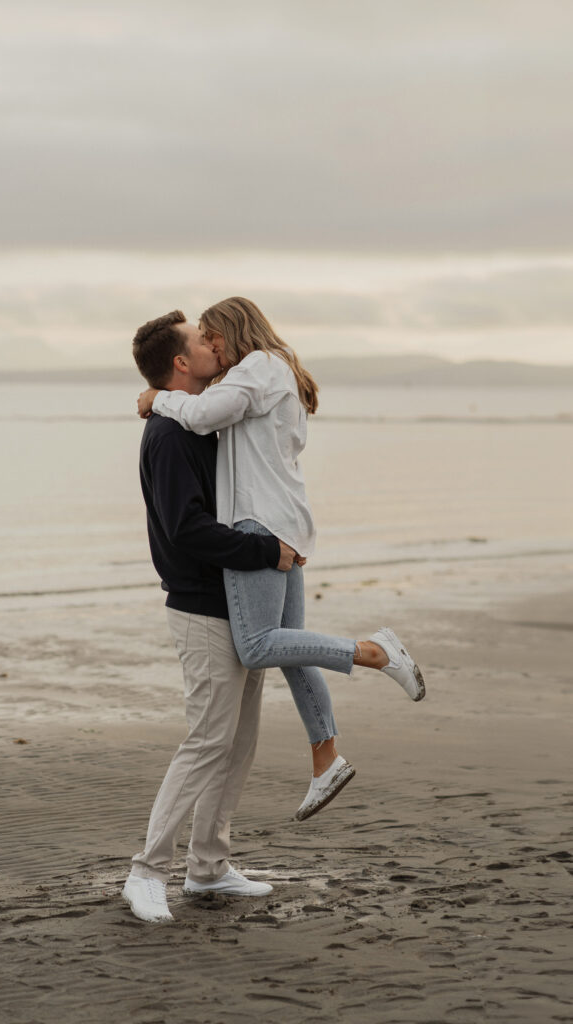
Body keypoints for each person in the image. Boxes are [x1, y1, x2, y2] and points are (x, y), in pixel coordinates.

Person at [137, 296, 426, 824]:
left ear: (232, 331)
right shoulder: (271, 370)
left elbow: (199, 415)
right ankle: (326, 758)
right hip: (285, 521)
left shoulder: (260, 368)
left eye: (212, 336)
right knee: (288, 651)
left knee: (255, 645)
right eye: (201, 339)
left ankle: (373, 652)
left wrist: (157, 398)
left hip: (261, 524)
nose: (210, 346)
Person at [122, 310, 299, 924]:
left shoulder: (207, 418)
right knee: (205, 742)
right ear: (180, 362)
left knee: (237, 743)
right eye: (202, 342)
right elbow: (186, 529)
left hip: (241, 602)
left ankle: (208, 866)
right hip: (200, 607)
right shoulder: (170, 435)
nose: (214, 347)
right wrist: (264, 551)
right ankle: (147, 872)